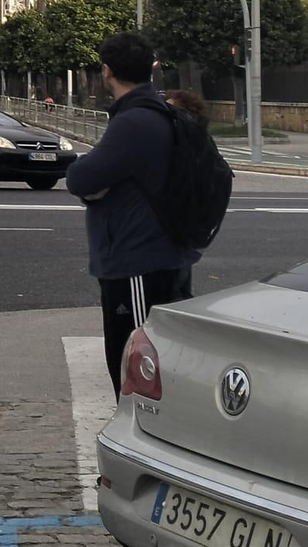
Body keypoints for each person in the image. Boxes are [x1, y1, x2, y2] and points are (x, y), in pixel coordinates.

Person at [65, 33, 199, 398]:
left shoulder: (135, 122)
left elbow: (81, 177)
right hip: (156, 256)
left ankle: (141, 441)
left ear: (106, 71)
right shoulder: (154, 115)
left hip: (138, 262)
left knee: (137, 366)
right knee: (148, 362)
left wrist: (92, 182)